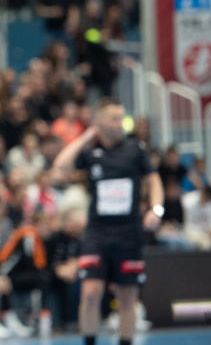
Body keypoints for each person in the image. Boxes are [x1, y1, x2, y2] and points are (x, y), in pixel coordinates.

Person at [51, 99, 163, 345]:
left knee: (127, 296)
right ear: (99, 121)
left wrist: (156, 209)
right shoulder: (90, 152)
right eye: (114, 118)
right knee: (90, 292)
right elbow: (60, 167)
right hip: (97, 234)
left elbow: (153, 179)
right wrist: (85, 136)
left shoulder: (135, 150)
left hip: (129, 233)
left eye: (121, 117)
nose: (120, 123)